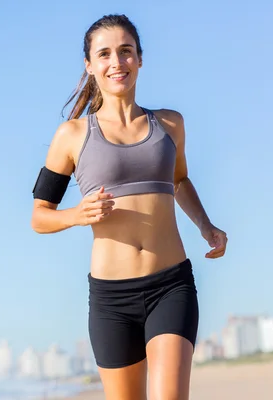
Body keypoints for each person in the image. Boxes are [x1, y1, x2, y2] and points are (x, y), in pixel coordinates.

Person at [30, 14, 228, 400]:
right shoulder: (71, 135)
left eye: (125, 51)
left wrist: (206, 226)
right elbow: (39, 215)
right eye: (104, 54)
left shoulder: (170, 124)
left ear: (140, 58)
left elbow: (180, 181)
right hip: (111, 300)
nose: (116, 62)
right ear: (90, 65)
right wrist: (76, 215)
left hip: (171, 285)